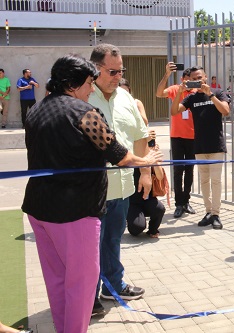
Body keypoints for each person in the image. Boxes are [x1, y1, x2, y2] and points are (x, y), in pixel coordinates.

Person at [21, 54, 163, 333]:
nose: (91, 89)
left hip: (39, 209)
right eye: (88, 83)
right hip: (75, 213)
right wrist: (147, 161)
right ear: (73, 84)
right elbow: (119, 155)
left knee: (58, 279)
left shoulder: (37, 109)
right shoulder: (83, 112)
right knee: (82, 284)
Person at [89, 44, 152, 313]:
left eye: (121, 70)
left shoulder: (126, 98)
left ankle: (112, 286)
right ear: (95, 69)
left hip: (123, 186)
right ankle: (87, 297)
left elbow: (140, 137)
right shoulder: (81, 97)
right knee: (89, 248)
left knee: (113, 240)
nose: (118, 76)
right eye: (112, 71)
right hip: (91, 191)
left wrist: (146, 173)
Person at [171, 66, 230, 229]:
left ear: (205, 77)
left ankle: (216, 214)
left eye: (200, 77)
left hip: (216, 146)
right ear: (189, 80)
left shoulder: (218, 93)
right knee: (204, 181)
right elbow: (174, 111)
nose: (198, 80)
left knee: (216, 181)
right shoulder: (190, 98)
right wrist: (179, 92)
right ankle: (208, 212)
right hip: (200, 147)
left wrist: (210, 94)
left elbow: (225, 110)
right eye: (194, 78)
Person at [120, 78, 166, 238]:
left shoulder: (146, 144)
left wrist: (152, 159)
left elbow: (160, 176)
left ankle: (153, 230)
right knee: (136, 228)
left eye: (126, 93)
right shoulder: (123, 148)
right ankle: (130, 216)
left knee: (159, 209)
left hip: (146, 196)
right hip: (131, 198)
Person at [156, 63, 196, 218]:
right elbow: (159, 93)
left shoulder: (196, 92)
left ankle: (186, 201)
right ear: (182, 79)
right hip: (177, 136)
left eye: (192, 80)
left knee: (190, 170)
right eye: (187, 80)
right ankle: (179, 203)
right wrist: (166, 74)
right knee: (178, 170)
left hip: (193, 137)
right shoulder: (175, 89)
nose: (188, 83)